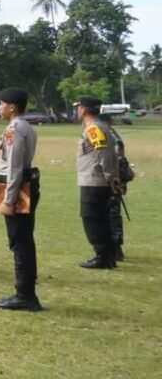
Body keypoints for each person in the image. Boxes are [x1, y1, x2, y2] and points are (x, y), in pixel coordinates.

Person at [0, 87, 42, 311]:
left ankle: (25, 295)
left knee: (19, 241)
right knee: (22, 240)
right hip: (22, 183)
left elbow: (14, 167)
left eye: (1, 103)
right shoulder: (24, 127)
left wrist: (9, 200)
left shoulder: (14, 129)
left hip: (18, 186)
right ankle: (25, 292)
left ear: (12, 107)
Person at [74, 97, 121, 269]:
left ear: (84, 110)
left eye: (78, 107)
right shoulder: (98, 126)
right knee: (99, 218)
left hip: (94, 180)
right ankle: (107, 255)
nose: (77, 111)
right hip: (95, 180)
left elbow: (104, 154)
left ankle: (102, 255)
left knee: (92, 218)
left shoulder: (94, 128)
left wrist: (110, 176)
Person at [99, 113, 129, 261]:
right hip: (113, 180)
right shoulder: (111, 135)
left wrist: (109, 178)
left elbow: (115, 160)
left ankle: (116, 249)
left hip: (112, 181)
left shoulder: (111, 137)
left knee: (112, 215)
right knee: (111, 214)